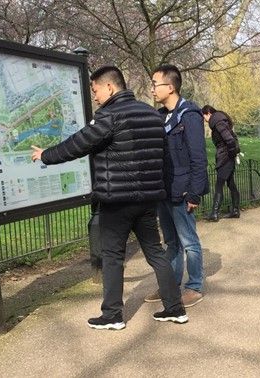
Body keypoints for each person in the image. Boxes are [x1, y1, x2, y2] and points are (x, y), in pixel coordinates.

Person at [30, 65, 187, 328]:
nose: (95, 96)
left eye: (95, 90)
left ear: (110, 87)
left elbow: (79, 144)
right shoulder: (152, 115)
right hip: (148, 199)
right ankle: (175, 308)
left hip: (117, 201)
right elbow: (163, 158)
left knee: (112, 256)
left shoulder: (109, 116)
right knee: (156, 253)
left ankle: (112, 315)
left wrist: (46, 155)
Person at [145, 64, 208, 308]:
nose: (152, 89)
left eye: (155, 84)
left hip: (182, 191)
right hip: (164, 190)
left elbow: (198, 158)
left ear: (170, 87)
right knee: (171, 242)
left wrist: (194, 193)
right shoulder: (161, 116)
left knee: (189, 242)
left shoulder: (189, 115)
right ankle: (169, 286)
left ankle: (194, 286)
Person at [201, 105, 240, 222]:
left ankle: (214, 213)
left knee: (219, 185)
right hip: (227, 156)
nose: (204, 120)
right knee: (231, 184)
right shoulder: (220, 121)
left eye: (204, 117)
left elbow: (229, 140)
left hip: (225, 157)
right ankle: (235, 210)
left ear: (208, 113)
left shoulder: (218, 122)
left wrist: (231, 154)